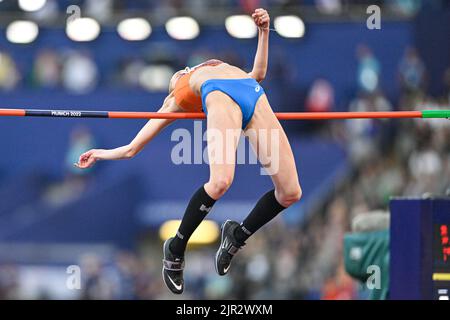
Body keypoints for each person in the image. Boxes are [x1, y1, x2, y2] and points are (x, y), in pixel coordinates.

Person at [75, 8, 302, 294]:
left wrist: (264, 31)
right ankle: (176, 246)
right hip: (219, 95)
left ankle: (237, 234)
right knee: (220, 182)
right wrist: (101, 153)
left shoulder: (216, 70)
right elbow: (133, 148)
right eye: (177, 74)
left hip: (253, 95)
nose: (181, 72)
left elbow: (258, 73)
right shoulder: (176, 97)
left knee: (291, 192)